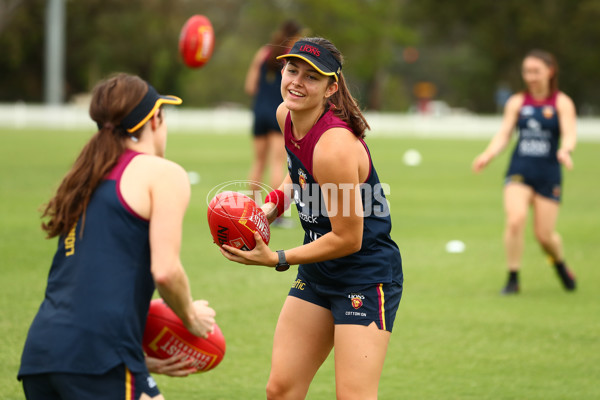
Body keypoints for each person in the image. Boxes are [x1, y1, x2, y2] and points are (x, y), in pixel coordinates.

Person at [221, 37, 403, 400]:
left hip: (365, 276)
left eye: (311, 77)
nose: (296, 82)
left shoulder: (334, 146)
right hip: (320, 271)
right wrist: (266, 211)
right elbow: (297, 174)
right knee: (281, 389)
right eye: (292, 70)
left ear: (330, 88)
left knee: (353, 396)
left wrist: (278, 258)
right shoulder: (284, 115)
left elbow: (348, 238)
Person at [18, 73, 216, 399]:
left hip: (42, 356)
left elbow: (87, 281)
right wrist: (189, 317)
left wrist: (138, 360)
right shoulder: (164, 173)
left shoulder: (86, 176)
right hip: (97, 359)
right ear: (155, 120)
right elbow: (165, 271)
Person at [472, 49, 577, 294]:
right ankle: (513, 278)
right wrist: (487, 155)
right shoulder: (517, 102)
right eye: (526, 71)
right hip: (519, 171)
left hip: (549, 174)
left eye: (536, 71)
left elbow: (570, 133)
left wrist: (565, 150)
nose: (530, 76)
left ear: (550, 71)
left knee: (544, 236)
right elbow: (504, 134)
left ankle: (559, 264)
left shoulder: (561, 102)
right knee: (516, 219)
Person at [244, 20, 302, 211]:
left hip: (259, 111)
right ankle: (274, 213)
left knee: (258, 162)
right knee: (277, 163)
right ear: (294, 36)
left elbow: (250, 86)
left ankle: (252, 208)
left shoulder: (263, 52)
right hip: (279, 112)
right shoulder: (292, 57)